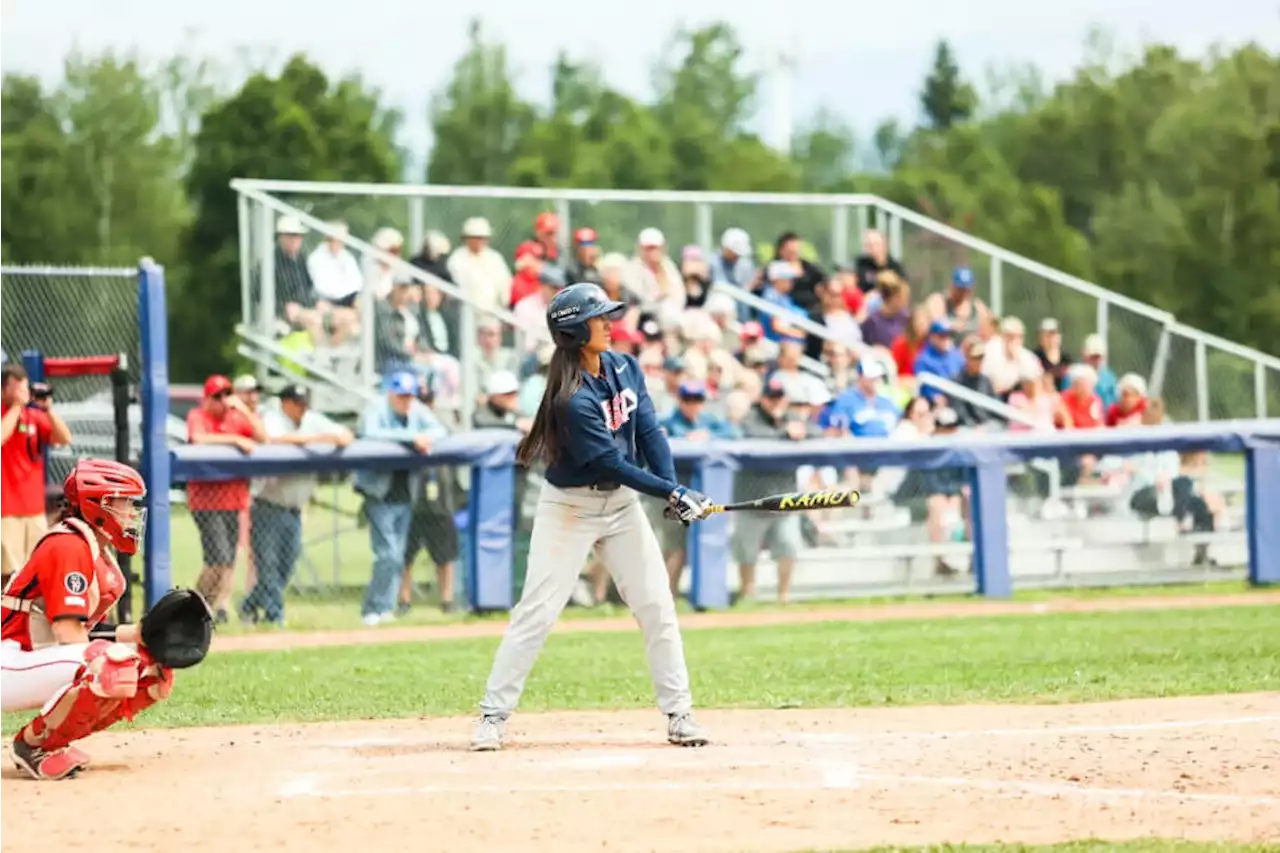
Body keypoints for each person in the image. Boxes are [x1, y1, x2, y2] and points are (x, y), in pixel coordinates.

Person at [469, 283, 711, 752]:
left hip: (621, 506)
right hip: (570, 509)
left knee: (657, 606)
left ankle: (680, 713)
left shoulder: (625, 367)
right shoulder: (571, 399)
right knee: (537, 612)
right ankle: (492, 716)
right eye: (599, 318)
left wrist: (672, 488)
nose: (609, 323)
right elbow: (611, 464)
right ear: (576, 332)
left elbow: (649, 432)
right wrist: (673, 490)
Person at [0, 459, 170, 780]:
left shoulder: (95, 552)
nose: (132, 514)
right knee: (111, 666)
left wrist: (138, 635)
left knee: (152, 670)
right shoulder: (68, 544)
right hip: (8, 658)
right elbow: (68, 633)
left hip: (27, 659)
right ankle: (33, 745)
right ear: (98, 505)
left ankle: (54, 742)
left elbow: (79, 631)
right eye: (125, 503)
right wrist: (110, 660)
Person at [239, 385, 353, 627]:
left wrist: (340, 435)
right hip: (268, 505)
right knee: (267, 566)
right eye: (297, 402)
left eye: (304, 403)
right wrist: (320, 439)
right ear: (285, 402)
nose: (303, 407)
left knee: (286, 566)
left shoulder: (311, 419)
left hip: (295, 509)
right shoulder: (272, 417)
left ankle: (249, 606)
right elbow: (274, 438)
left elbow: (343, 432)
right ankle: (275, 617)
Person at [354, 372, 449, 626]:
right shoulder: (375, 408)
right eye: (401, 396)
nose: (406, 401)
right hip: (378, 492)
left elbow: (440, 430)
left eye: (409, 396)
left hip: (405, 492)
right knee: (388, 554)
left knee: (397, 555)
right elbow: (371, 432)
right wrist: (411, 438)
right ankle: (372, 609)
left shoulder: (416, 409)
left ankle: (384, 607)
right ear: (390, 393)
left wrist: (426, 437)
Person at [186, 375, 266, 622]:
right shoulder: (197, 415)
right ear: (207, 398)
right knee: (217, 560)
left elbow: (263, 438)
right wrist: (235, 439)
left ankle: (202, 611)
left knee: (227, 562)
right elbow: (198, 439)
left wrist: (242, 407)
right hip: (206, 502)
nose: (222, 401)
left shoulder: (236, 416)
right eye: (217, 396)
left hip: (234, 501)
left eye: (226, 395)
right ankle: (191, 608)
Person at [1, 363, 72, 586]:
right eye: (16, 390)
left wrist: (47, 409)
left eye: (24, 389)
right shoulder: (7, 414)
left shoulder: (33, 415)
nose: (22, 395)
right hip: (6, 508)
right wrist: (14, 408)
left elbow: (64, 438)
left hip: (33, 509)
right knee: (7, 573)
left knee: (36, 569)